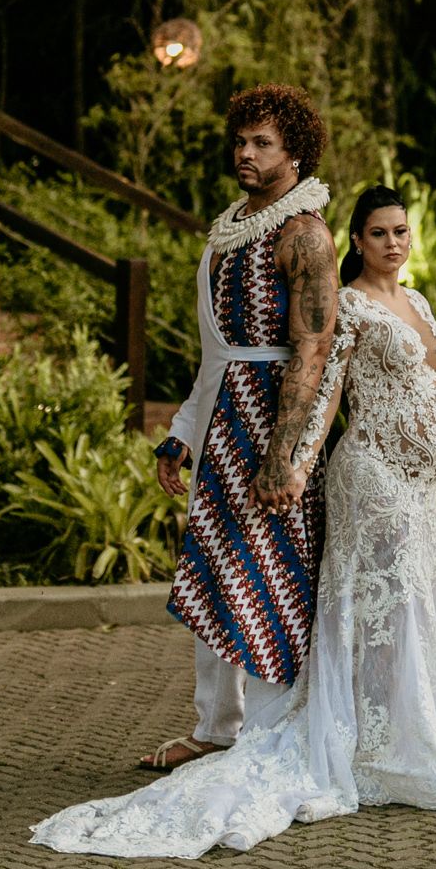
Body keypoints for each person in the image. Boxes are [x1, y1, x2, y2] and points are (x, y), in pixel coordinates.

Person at [31, 183, 436, 859]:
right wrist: (295, 463)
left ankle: (405, 739)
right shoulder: (353, 304)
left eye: (400, 231)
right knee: (373, 610)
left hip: (421, 484)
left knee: (413, 609)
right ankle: (326, 738)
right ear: (355, 241)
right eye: (378, 233)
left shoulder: (415, 302)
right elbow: (327, 391)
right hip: (370, 478)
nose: (393, 243)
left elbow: (431, 387)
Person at [137, 83, 340, 770]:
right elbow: (215, 350)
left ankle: (271, 737)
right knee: (212, 572)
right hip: (221, 420)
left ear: (295, 154)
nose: (245, 153)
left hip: (269, 424)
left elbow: (312, 348)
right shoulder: (231, 227)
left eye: (262, 144)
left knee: (268, 576)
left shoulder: (303, 233)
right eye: (240, 140)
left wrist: (283, 455)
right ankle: (214, 728)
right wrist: (183, 433)